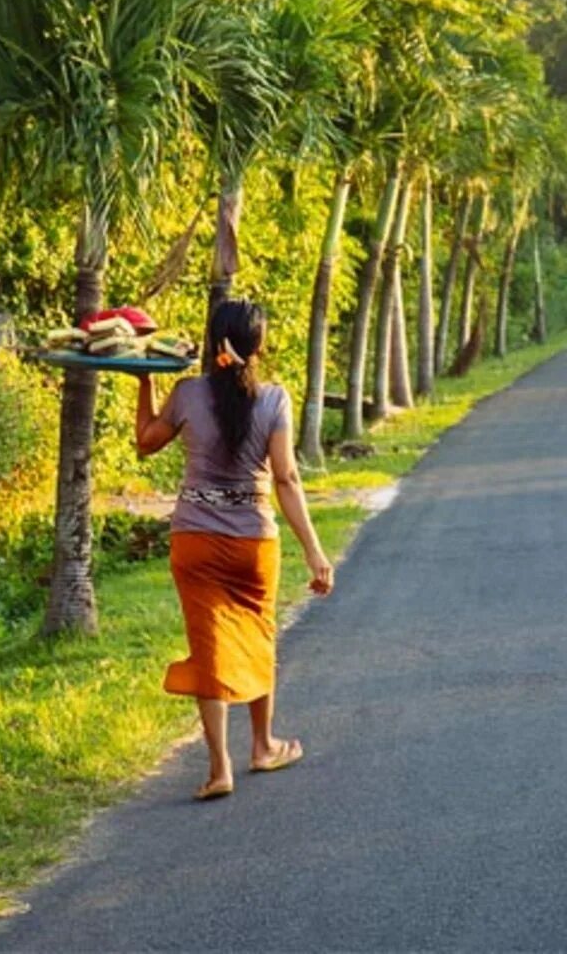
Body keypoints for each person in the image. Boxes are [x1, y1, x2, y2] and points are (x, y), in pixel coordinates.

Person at [134, 298, 336, 802]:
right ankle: (263, 745)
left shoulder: (186, 394)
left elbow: (145, 441)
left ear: (209, 340)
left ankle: (219, 767)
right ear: (259, 345)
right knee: (257, 637)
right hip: (252, 542)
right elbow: (286, 477)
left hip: (194, 542)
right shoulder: (274, 400)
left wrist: (143, 378)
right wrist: (314, 551)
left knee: (209, 648)